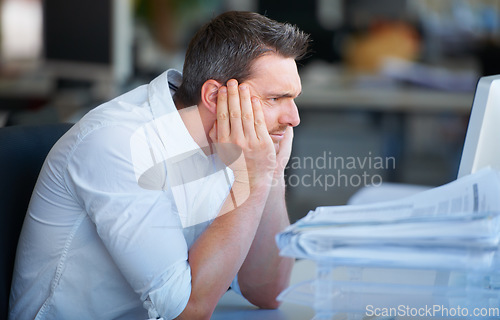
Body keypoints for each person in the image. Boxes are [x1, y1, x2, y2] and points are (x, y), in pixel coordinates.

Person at [9, 11, 309, 320]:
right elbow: (186, 311)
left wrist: (270, 174)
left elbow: (268, 292)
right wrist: (253, 179)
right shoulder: (119, 144)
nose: (294, 118)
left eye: (293, 98)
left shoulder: (233, 142)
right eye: (276, 98)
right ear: (216, 97)